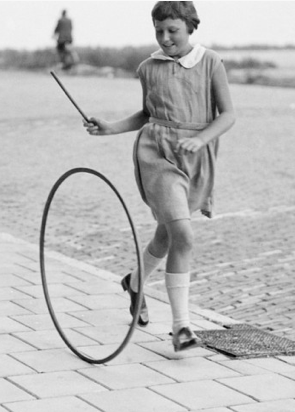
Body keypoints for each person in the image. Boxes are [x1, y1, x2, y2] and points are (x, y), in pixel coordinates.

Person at [83, 1, 235, 352]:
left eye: (173, 31)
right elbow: (147, 113)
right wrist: (111, 128)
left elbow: (228, 115)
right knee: (183, 234)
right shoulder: (147, 67)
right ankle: (182, 328)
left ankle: (135, 283)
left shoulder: (211, 62)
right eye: (159, 31)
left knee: (167, 235)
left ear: (190, 27)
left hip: (195, 157)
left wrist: (201, 139)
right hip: (157, 155)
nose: (165, 38)